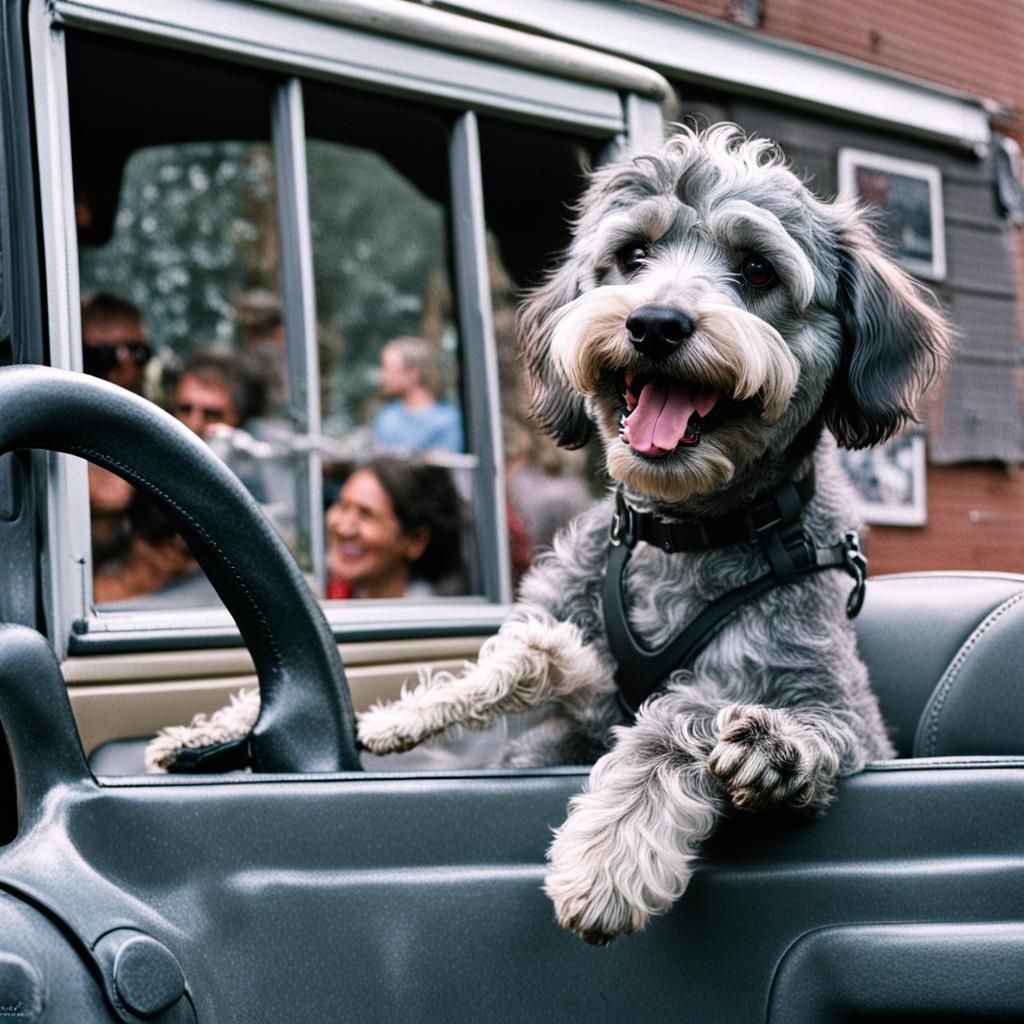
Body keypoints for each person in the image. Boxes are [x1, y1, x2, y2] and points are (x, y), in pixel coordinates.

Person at [325, 457, 464, 600]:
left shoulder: (429, 617)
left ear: (416, 540)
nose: (343, 528)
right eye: (342, 506)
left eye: (366, 515)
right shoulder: (330, 603)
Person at [371, 336, 464, 453]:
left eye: (387, 368)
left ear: (412, 373)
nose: (382, 376)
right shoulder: (387, 417)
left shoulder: (447, 420)